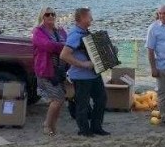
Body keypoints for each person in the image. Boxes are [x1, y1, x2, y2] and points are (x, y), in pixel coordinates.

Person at [60, 7, 108, 137]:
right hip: (81, 76)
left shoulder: (86, 33)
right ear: (81, 18)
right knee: (83, 104)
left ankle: (96, 127)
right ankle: (84, 131)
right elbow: (64, 55)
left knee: (101, 99)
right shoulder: (75, 35)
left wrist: (108, 53)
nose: (91, 19)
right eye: (89, 17)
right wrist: (83, 64)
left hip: (94, 75)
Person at [32, 7, 68, 136]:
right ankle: (47, 124)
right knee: (57, 98)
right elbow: (47, 46)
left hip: (59, 70)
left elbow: (68, 43)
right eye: (48, 14)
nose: (51, 16)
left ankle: (53, 126)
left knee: (60, 99)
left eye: (53, 14)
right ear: (42, 16)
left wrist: (61, 46)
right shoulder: (38, 31)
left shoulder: (60, 30)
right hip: (46, 70)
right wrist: (62, 46)